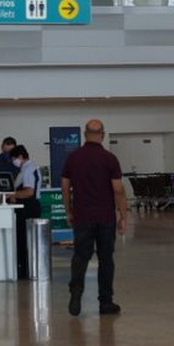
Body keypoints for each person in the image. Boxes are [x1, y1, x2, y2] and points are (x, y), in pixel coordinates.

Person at [61, 119, 127, 316]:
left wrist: (69, 210)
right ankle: (105, 302)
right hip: (105, 217)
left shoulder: (73, 158)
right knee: (106, 259)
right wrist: (123, 215)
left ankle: (76, 293)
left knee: (80, 257)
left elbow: (65, 186)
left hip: (82, 216)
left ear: (85, 134)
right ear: (103, 135)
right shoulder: (110, 159)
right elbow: (118, 189)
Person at [8, 145, 42, 280]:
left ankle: (24, 270)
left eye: (14, 159)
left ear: (20, 157)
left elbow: (29, 191)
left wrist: (12, 195)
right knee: (25, 239)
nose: (14, 162)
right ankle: (25, 268)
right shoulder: (30, 167)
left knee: (23, 239)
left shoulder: (28, 169)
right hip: (30, 207)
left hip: (28, 208)